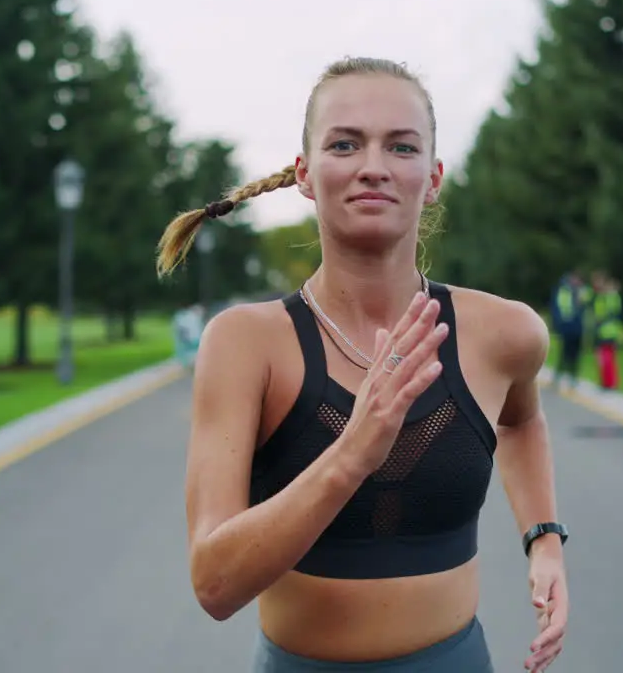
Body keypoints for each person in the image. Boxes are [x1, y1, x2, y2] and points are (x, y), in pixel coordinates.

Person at [156, 56, 569, 672]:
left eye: (401, 148)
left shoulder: (504, 332)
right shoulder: (245, 344)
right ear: (305, 173)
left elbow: (520, 422)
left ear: (432, 178)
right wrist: (353, 453)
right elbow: (215, 584)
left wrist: (544, 541)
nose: (373, 167)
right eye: (345, 143)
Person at [549, 271, 587, 391]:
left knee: (575, 354)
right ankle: (558, 377)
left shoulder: (581, 291)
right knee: (564, 354)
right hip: (566, 327)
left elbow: (586, 305)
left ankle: (573, 378)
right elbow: (557, 308)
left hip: (578, 327)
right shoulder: (563, 291)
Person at [590, 272, 623, 390]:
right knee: (610, 358)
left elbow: (600, 315)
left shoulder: (603, 297)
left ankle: (608, 383)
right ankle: (611, 382)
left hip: (604, 331)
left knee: (605, 358)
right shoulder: (613, 297)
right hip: (612, 330)